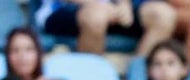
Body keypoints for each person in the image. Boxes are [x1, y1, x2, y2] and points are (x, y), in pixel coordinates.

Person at [34, 0, 176, 59]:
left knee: (163, 15)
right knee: (96, 17)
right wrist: (103, 6)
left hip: (110, 10)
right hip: (62, 10)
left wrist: (124, 4)